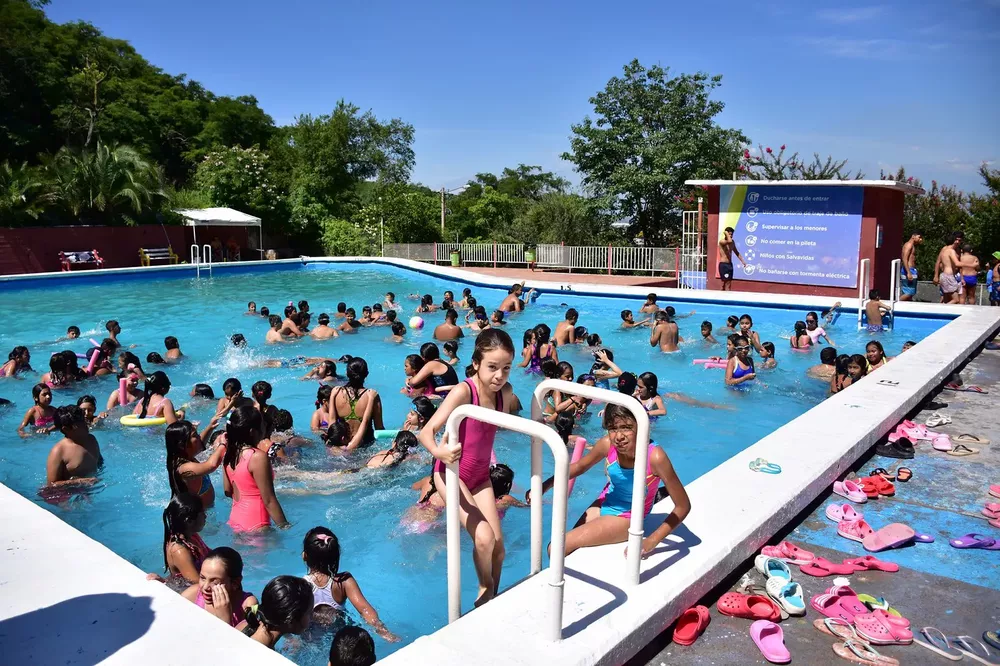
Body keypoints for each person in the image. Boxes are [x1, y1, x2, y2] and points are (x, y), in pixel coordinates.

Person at [417, 329, 516, 607]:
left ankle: (491, 599)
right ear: (476, 363)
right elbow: (426, 432)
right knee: (484, 538)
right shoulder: (464, 391)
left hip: (481, 476)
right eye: (492, 367)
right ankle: (484, 590)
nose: (499, 375)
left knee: (498, 549)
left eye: (506, 368)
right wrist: (440, 451)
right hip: (451, 473)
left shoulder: (505, 392)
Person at [529, 404, 690, 557]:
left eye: (626, 427)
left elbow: (683, 506)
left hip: (628, 516)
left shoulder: (655, 457)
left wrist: (652, 541)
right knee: (564, 551)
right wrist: (545, 485)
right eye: (613, 428)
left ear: (641, 427)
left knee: (557, 547)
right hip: (606, 501)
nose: (619, 436)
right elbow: (580, 466)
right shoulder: (608, 444)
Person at [301, 527, 399, 640]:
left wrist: (292, 641)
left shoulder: (300, 585)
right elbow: (364, 609)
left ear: (304, 556)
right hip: (340, 634)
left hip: (311, 636)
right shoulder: (343, 582)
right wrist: (384, 632)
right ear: (336, 555)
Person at [221, 405, 289, 531]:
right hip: (257, 523)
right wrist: (285, 527)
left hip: (235, 522)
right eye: (262, 424)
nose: (265, 427)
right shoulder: (257, 457)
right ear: (253, 431)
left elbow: (228, 491)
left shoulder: (229, 455)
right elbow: (269, 500)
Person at [166, 406, 233, 508]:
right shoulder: (184, 468)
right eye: (195, 435)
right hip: (193, 514)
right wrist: (223, 444)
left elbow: (200, 443)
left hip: (205, 511)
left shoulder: (188, 456)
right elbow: (211, 466)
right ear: (182, 444)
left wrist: (210, 427)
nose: (198, 437)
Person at [181, 547, 258, 627]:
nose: (205, 587)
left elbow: (254, 633)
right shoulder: (192, 595)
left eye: (215, 582)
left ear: (235, 582)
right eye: (202, 578)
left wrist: (225, 620)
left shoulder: (250, 604)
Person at [148, 493, 210, 586]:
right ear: (189, 521)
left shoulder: (192, 536)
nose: (205, 516)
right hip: (187, 590)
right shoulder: (179, 550)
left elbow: (210, 554)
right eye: (202, 513)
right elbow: (197, 584)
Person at [237, 576, 313, 650]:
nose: (311, 616)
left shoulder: (249, 622)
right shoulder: (262, 651)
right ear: (291, 619)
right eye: (309, 613)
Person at [329, 357, 384, 449]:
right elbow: (379, 428)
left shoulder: (336, 392)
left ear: (347, 373)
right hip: (365, 446)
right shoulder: (372, 395)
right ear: (366, 374)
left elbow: (332, 425)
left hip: (341, 445)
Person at [44, 405, 102, 485]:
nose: (86, 423)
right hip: (72, 492)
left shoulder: (91, 440)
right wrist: (80, 481)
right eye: (80, 423)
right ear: (66, 429)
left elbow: (100, 463)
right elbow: (51, 484)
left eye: (84, 420)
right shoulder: (59, 451)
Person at [934, 231, 965, 304]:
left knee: (955, 298)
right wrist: (936, 276)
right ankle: (939, 309)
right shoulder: (945, 249)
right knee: (952, 299)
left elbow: (960, 265)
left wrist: (962, 278)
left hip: (956, 275)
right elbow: (938, 262)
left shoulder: (959, 250)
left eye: (959, 240)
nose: (957, 242)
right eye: (956, 239)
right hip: (947, 275)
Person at [718, 226, 747, 291]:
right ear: (726, 234)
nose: (731, 236)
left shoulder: (732, 242)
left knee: (729, 283)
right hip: (724, 265)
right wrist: (726, 233)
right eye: (729, 234)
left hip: (729, 264)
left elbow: (736, 252)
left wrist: (743, 261)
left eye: (732, 234)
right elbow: (729, 241)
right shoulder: (722, 242)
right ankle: (721, 296)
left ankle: (728, 296)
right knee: (723, 283)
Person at [899, 231, 923, 301]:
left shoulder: (911, 245)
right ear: (913, 236)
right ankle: (895, 304)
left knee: (910, 292)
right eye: (919, 237)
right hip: (908, 270)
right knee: (909, 292)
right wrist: (908, 272)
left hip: (911, 270)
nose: (920, 239)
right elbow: (905, 259)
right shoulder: (909, 245)